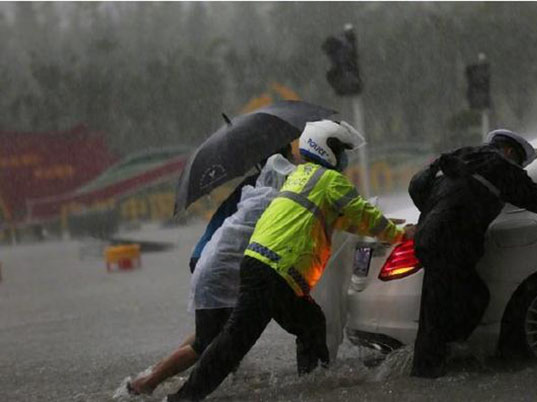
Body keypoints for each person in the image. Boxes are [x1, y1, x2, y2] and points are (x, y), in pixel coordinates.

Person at [167, 120, 416, 401]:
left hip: (267, 268)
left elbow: (349, 219)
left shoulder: (302, 175)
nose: (345, 157)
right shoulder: (329, 180)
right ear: (325, 149)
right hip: (275, 272)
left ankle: (312, 385)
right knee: (235, 341)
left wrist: (387, 225)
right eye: (341, 149)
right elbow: (360, 213)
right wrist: (399, 234)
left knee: (310, 324)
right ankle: (183, 398)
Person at [408, 129, 537, 379]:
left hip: (432, 239)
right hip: (452, 243)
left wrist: (431, 216)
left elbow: (417, 185)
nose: (519, 167)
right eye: (520, 162)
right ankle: (432, 370)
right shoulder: (500, 166)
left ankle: (435, 363)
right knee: (451, 307)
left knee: (445, 306)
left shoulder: (461, 156)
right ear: (510, 151)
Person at [126, 149, 295, 395]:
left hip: (210, 256)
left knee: (212, 331)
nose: (294, 157)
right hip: (218, 263)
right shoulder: (267, 189)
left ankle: (157, 372)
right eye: (290, 152)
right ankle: (150, 382)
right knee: (206, 341)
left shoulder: (254, 185)